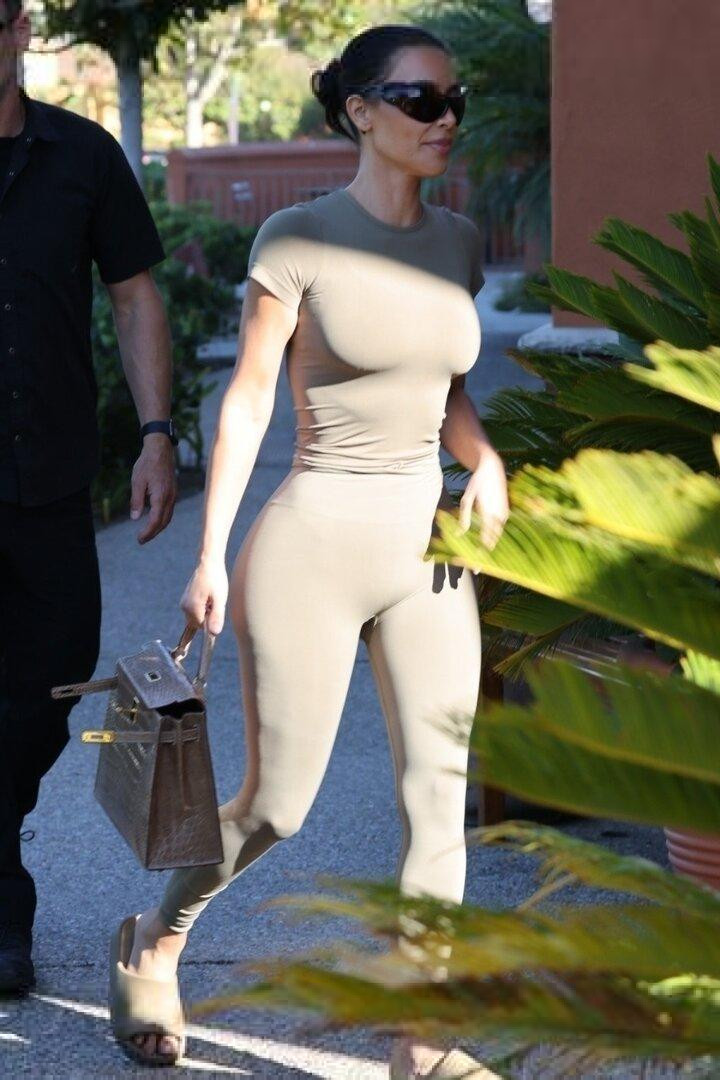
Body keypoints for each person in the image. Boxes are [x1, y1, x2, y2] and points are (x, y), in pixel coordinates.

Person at [110, 24, 509, 1078]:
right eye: (420, 100)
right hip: (314, 542)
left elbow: (446, 390)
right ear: (361, 113)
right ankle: (156, 938)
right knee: (276, 806)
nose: (445, 118)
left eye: (454, 99)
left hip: (429, 546)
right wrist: (209, 556)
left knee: (439, 796)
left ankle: (422, 1039)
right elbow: (248, 401)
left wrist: (486, 461)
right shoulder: (298, 237)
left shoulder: (459, 242)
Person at [0, 1, 177, 994]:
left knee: (56, 678)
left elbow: (134, 292)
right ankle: (3, 913)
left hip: (53, 477)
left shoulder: (83, 155)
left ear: (19, 28)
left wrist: (157, 433)